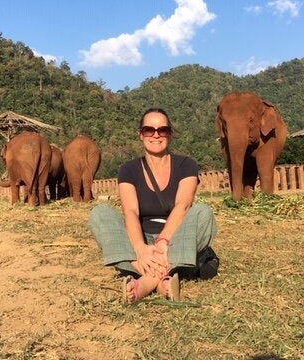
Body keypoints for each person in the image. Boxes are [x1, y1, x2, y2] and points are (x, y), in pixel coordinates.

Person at [89, 108, 218, 303]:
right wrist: (140, 248)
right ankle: (165, 274)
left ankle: (146, 281)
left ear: (170, 134)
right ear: (140, 134)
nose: (156, 135)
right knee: (100, 213)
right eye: (149, 130)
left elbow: (183, 205)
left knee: (203, 212)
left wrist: (163, 243)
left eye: (162, 130)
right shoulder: (128, 169)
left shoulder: (186, 164)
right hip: (140, 239)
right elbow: (130, 211)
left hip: (176, 238)